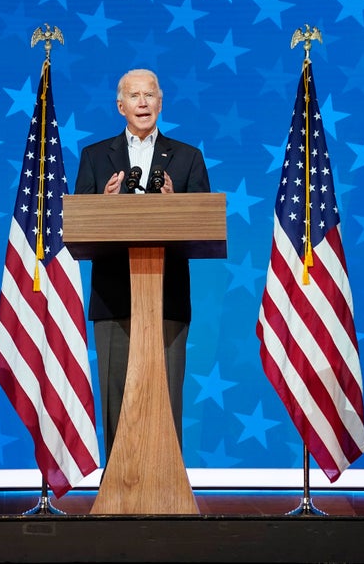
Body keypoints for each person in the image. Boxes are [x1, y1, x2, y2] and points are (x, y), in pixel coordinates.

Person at [74, 68, 210, 462]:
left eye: (150, 95)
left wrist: (174, 204)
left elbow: (202, 225)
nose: (143, 103)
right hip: (113, 299)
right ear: (121, 106)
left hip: (166, 298)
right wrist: (103, 201)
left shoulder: (187, 158)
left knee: (165, 399)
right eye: (134, 96)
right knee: (117, 398)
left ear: (161, 102)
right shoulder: (96, 157)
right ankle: (116, 486)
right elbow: (78, 226)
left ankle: (167, 484)